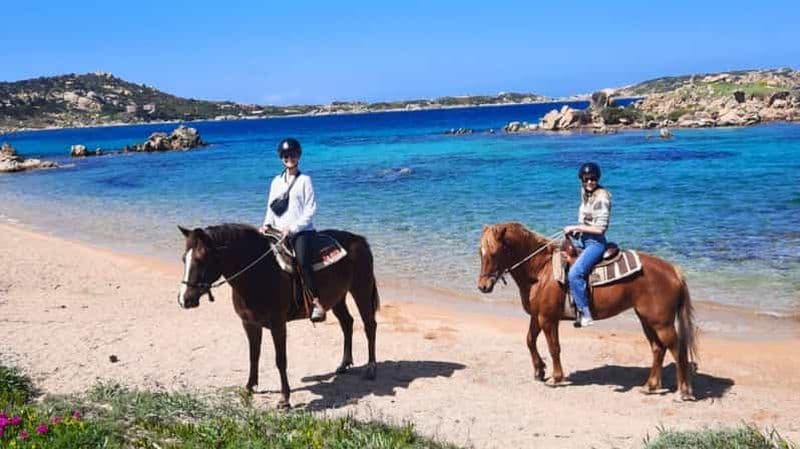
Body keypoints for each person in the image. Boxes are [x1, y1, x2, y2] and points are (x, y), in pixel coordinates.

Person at [260, 138, 326, 322]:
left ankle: (316, 302)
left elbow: (310, 208)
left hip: (302, 232)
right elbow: (271, 207)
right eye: (286, 155)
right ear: (281, 157)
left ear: (299, 156)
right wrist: (266, 224)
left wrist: (294, 228)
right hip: (277, 231)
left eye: (293, 155)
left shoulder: (305, 180)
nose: (290, 158)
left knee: (303, 262)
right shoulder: (275, 181)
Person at [563, 162, 611, 328]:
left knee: (574, 274)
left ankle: (586, 313)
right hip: (582, 239)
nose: (590, 182)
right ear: (581, 180)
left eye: (593, 179)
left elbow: (600, 229)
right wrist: (576, 232)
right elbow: (586, 220)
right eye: (586, 179)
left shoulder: (602, 197)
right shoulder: (585, 192)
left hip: (595, 243)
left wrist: (576, 227)